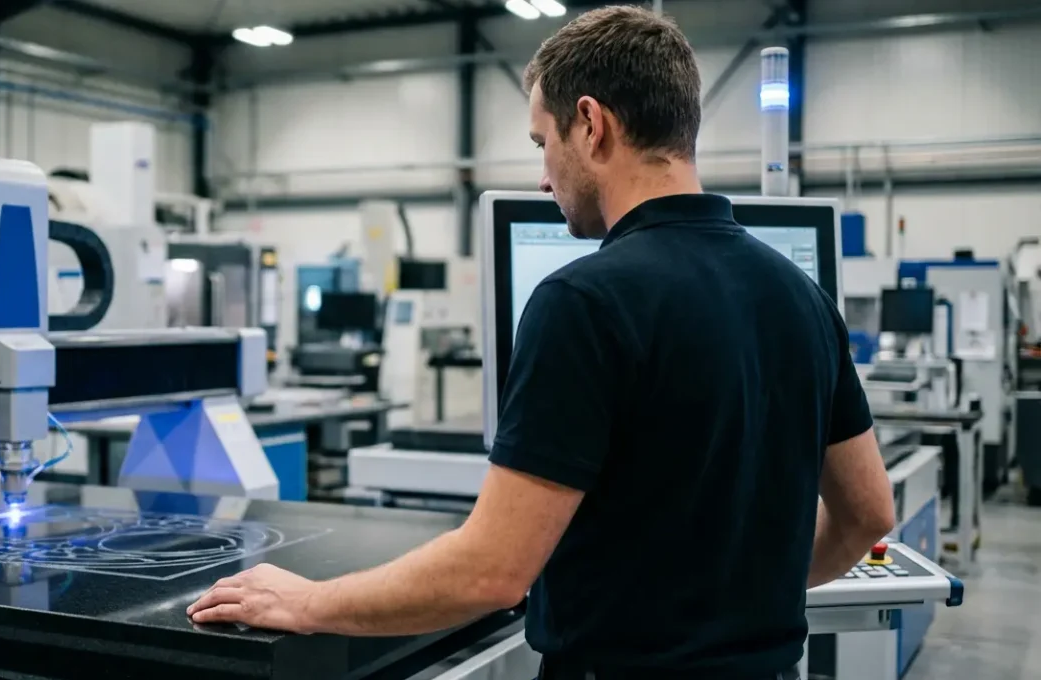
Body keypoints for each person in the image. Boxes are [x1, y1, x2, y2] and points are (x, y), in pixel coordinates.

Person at [188, 6, 895, 679]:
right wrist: (745, 591)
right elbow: (868, 514)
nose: (542, 173)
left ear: (590, 124)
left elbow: (491, 572)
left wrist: (304, 602)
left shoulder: (582, 300)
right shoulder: (801, 296)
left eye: (541, 142)